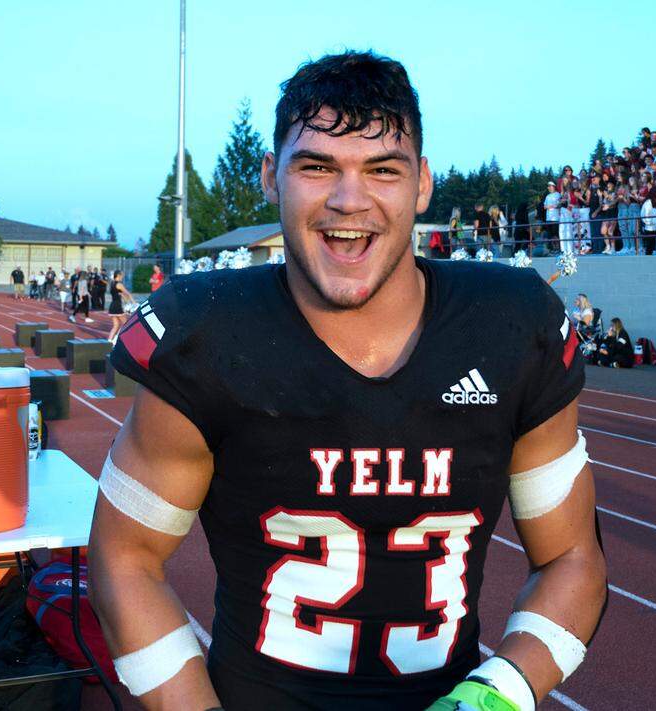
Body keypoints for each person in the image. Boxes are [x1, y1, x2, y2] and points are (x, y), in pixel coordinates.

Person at [90, 51, 606, 711]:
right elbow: (124, 554)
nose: (348, 199)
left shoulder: (511, 326)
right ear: (271, 176)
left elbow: (572, 558)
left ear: (422, 184)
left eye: (382, 169)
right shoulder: (210, 334)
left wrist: (496, 695)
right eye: (317, 166)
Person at [106, 269, 137, 344]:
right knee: (126, 324)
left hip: (112, 306)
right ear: (119, 275)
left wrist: (127, 302)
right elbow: (127, 293)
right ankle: (116, 340)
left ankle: (109, 341)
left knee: (116, 325)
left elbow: (121, 295)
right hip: (117, 306)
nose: (122, 277)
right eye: (122, 275)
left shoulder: (112, 283)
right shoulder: (119, 284)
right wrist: (134, 303)